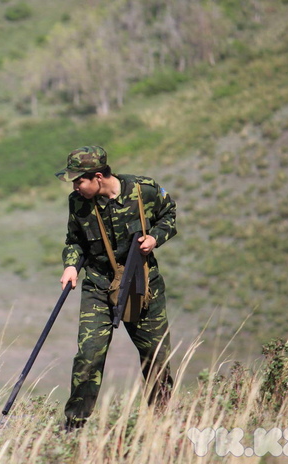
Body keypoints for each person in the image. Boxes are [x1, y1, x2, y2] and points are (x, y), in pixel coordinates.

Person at [55, 145, 177, 430]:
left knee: (156, 357)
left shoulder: (143, 190)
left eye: (78, 180)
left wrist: (155, 239)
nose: (74, 186)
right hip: (98, 286)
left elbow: (169, 215)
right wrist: (71, 265)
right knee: (88, 356)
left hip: (140, 283)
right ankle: (74, 428)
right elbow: (74, 240)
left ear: (98, 177)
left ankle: (161, 424)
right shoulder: (79, 203)